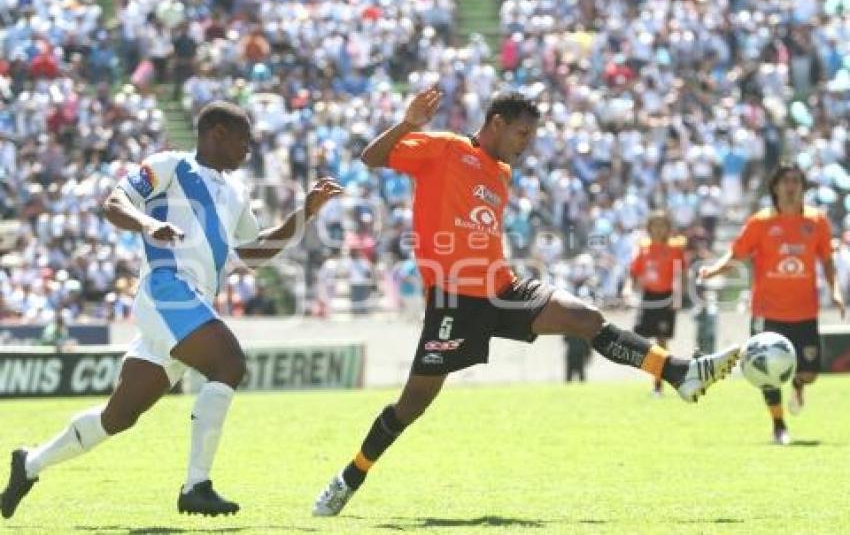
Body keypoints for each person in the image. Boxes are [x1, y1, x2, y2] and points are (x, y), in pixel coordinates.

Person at [312, 88, 740, 516]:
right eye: (522, 133)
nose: (526, 144)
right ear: (496, 122)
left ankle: (679, 372)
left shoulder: (501, 172)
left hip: (504, 289)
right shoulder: (444, 148)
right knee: (413, 404)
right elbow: (370, 157)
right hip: (454, 300)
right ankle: (351, 475)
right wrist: (408, 124)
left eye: (531, 136)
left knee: (585, 317)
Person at [1, 101, 342, 519]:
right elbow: (115, 202)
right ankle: (196, 485)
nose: (249, 149)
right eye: (243, 139)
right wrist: (147, 224)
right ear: (216, 132)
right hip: (167, 292)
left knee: (118, 416)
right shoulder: (170, 166)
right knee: (229, 363)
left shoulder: (237, 191)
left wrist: (304, 213)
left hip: (191, 304)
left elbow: (254, 253)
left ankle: (29, 463)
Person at [699, 163, 845, 445]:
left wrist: (835, 291)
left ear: (803, 187)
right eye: (786, 181)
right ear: (775, 187)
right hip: (768, 312)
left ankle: (799, 386)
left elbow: (826, 260)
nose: (791, 186)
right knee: (766, 370)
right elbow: (737, 252)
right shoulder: (760, 222)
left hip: (804, 310)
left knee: (810, 372)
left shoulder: (816, 222)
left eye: (796, 181)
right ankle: (779, 424)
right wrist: (714, 270)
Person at [629, 210, 686, 396]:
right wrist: (629, 291)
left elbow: (681, 275)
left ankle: (658, 384)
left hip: (666, 298)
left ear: (668, 228)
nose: (659, 229)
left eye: (662, 225)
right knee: (641, 340)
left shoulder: (675, 249)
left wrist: (677, 298)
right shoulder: (643, 248)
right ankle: (655, 371)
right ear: (649, 228)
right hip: (648, 298)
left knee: (662, 342)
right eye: (655, 224)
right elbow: (634, 273)